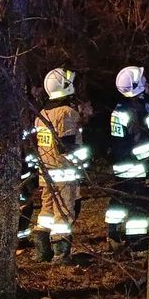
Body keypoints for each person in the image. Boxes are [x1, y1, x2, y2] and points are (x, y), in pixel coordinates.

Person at [31, 67, 90, 263]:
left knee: (46, 210)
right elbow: (67, 146)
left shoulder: (42, 113)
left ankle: (41, 251)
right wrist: (84, 160)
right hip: (63, 172)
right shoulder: (66, 113)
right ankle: (60, 254)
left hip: (46, 172)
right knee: (63, 213)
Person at [105, 66, 149, 252]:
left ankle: (114, 236)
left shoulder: (120, 109)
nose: (146, 82)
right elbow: (147, 132)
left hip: (120, 164)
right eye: (143, 80)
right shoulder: (137, 110)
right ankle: (138, 244)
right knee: (138, 205)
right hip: (136, 167)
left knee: (118, 201)